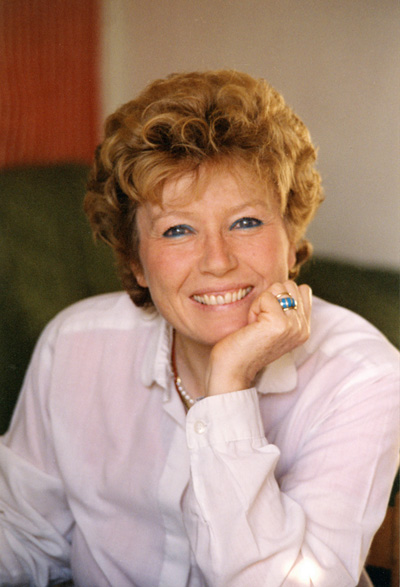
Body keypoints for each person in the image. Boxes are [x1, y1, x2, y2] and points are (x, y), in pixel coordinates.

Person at [0, 70, 398, 587]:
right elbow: (25, 537)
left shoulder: (364, 377)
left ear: (290, 238)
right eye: (178, 230)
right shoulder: (74, 345)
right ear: (136, 263)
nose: (217, 260)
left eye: (246, 222)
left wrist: (228, 385)